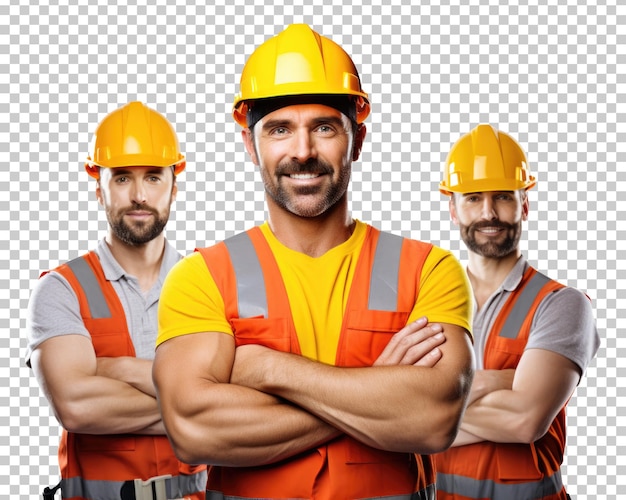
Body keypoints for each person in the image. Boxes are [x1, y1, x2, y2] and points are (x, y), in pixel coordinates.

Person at [153, 24, 474, 500]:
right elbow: (193, 429)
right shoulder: (201, 277)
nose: (302, 152)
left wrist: (266, 370)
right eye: (279, 129)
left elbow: (433, 420)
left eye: (325, 128)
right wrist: (375, 391)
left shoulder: (429, 268)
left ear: (357, 140)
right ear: (250, 144)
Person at [26, 101, 207, 500]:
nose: (139, 195)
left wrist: (118, 369)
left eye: (154, 177)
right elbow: (75, 406)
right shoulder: (62, 289)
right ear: (99, 187)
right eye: (122, 178)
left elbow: (249, 398)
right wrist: (202, 404)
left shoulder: (211, 282)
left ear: (174, 187)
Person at [434, 124, 600, 500]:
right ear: (453, 209)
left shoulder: (560, 304)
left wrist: (426, 408)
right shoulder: (428, 300)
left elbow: (525, 419)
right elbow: (387, 410)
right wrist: (504, 381)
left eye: (503, 197)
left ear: (524, 204)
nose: (489, 212)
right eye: (473, 198)